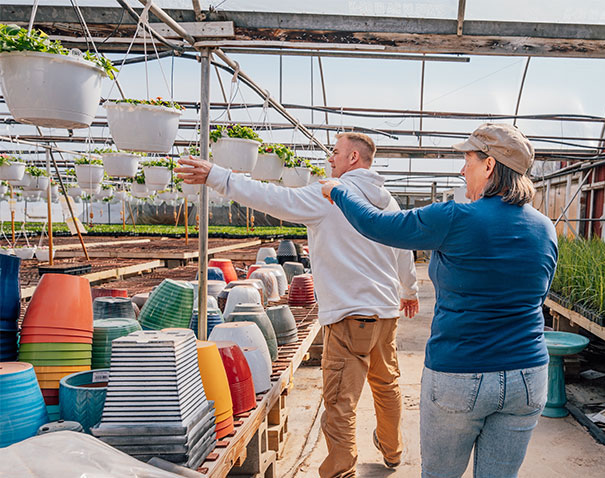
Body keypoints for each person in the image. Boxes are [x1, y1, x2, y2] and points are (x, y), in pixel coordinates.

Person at [320, 123, 558, 478]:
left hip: (461, 373)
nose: (463, 170)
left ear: (489, 166)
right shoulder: (545, 227)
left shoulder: (455, 217)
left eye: (468, 160)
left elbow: (377, 224)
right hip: (528, 375)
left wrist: (338, 192)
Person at [176, 133, 419, 478]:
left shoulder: (331, 195)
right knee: (387, 383)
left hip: (350, 318)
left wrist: (219, 176)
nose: (330, 159)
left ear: (353, 158)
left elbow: (274, 197)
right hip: (385, 315)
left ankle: (339, 471)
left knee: (339, 403)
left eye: (335, 153)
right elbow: (403, 250)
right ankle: (393, 451)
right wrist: (409, 290)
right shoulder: (389, 202)